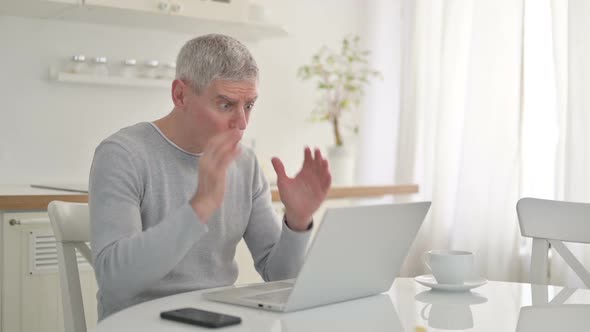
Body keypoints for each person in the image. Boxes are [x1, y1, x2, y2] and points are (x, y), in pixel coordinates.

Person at [88, 34, 332, 320]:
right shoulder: (123, 154)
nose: (241, 123)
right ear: (180, 95)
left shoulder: (245, 164)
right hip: (138, 323)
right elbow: (115, 283)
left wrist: (298, 222)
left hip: (217, 321)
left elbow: (279, 277)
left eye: (249, 105)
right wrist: (200, 205)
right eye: (226, 104)